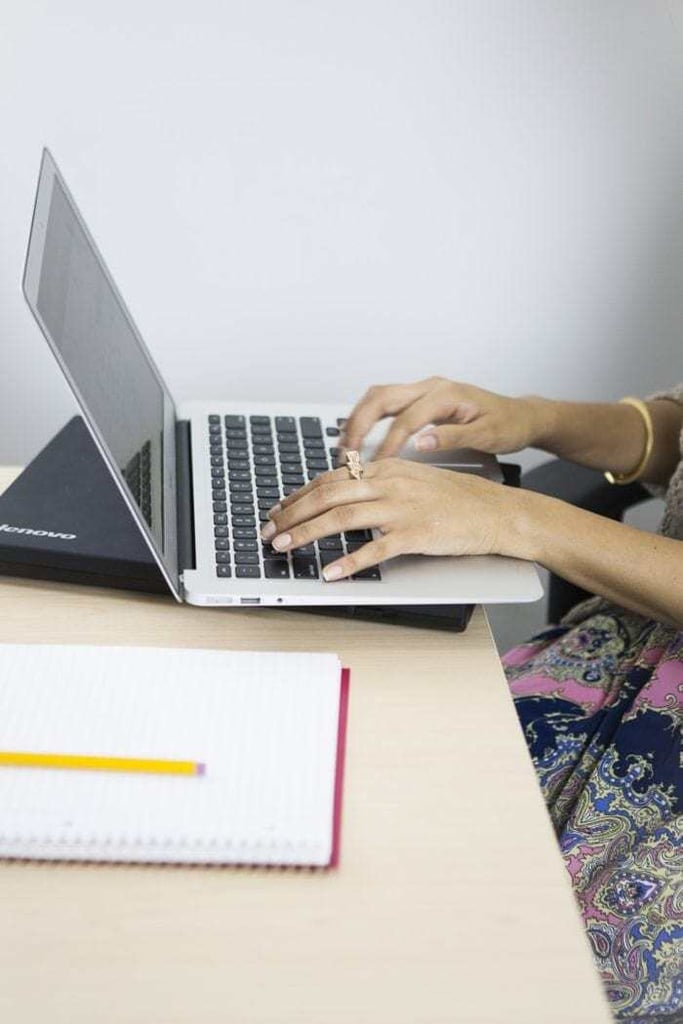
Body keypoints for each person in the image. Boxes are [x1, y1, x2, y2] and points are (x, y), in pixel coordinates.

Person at [262, 377, 682, 1022]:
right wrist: (535, 416)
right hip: (611, 656)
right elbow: (674, 439)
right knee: (320, 781)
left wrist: (515, 517)